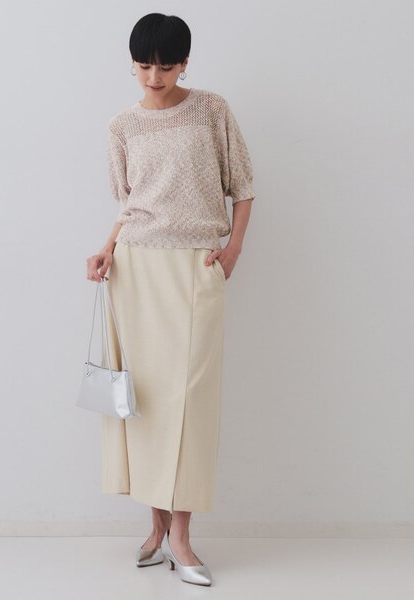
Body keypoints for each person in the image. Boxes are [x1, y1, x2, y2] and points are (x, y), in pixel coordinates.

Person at [86, 13, 255, 586]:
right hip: (135, 268)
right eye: (143, 66)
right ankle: (157, 529)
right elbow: (130, 203)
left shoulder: (211, 110)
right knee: (148, 400)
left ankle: (181, 536)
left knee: (190, 400)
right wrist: (106, 248)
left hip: (196, 266)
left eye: (165, 66)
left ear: (185, 63)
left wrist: (232, 250)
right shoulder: (122, 126)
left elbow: (243, 187)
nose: (153, 77)